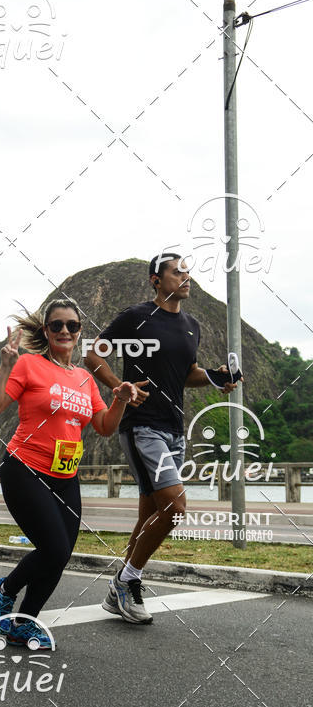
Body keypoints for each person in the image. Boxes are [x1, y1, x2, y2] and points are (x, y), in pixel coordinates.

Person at [85, 254, 241, 624]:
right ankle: (129, 580)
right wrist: (117, 387)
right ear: (157, 280)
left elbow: (186, 374)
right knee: (175, 509)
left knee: (150, 516)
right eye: (177, 272)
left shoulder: (191, 325)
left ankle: (118, 590)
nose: (186, 277)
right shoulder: (136, 316)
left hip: (174, 427)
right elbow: (93, 353)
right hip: (141, 425)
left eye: (188, 271)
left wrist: (216, 377)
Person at [0, 299, 136, 649]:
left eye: (72, 326)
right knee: (53, 549)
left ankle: (23, 622)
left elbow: (104, 426)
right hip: (25, 468)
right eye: (57, 326)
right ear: (46, 331)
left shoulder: (84, 378)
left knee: (61, 554)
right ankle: (4, 589)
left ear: (80, 332)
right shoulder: (29, 365)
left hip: (65, 476)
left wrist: (121, 399)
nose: (65, 331)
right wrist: (5, 366)